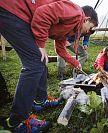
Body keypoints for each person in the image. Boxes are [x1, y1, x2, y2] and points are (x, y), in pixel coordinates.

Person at [0, 0, 98, 132]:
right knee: (35, 63)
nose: (88, 33)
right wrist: (41, 45)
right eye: (91, 28)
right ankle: (17, 121)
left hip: (20, 16)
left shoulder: (70, 28)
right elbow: (42, 13)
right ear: (86, 19)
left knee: (41, 60)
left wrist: (75, 63)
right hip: (12, 11)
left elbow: (60, 49)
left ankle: (40, 101)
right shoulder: (75, 12)